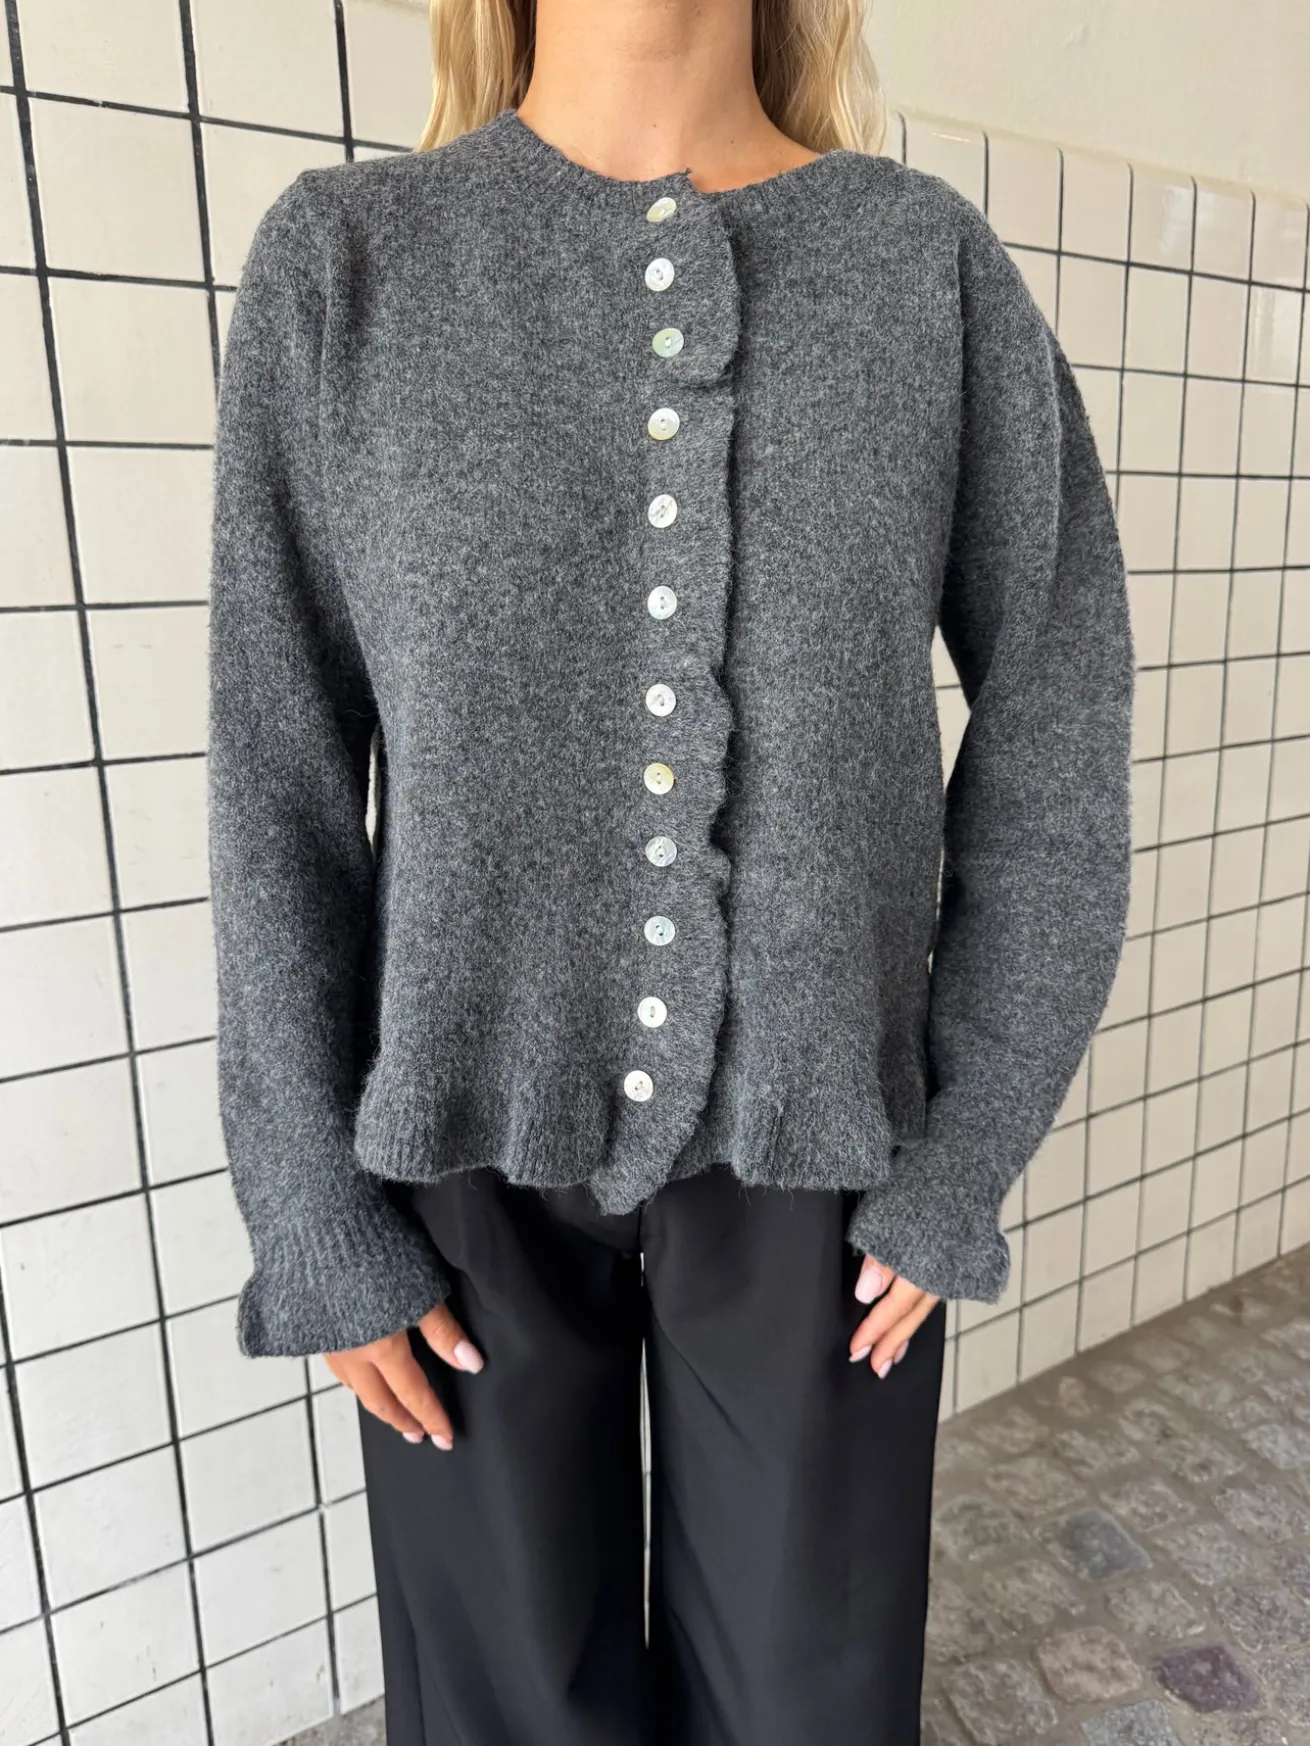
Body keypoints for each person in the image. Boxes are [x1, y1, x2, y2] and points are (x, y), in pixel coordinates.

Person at [205, 0, 1135, 1741]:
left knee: (807, 1705)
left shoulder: (918, 270)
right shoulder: (349, 269)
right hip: (455, 1157)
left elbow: (1058, 725)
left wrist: (966, 1147)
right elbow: (277, 773)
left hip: (825, 1157)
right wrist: (309, 1210)